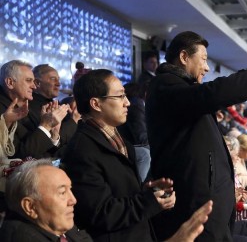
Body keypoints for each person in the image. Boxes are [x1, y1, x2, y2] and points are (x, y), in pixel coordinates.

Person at [145, 31, 247, 241]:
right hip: (193, 205)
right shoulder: (165, 85)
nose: (206, 67)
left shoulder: (181, 88)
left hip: (204, 203)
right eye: (203, 60)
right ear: (184, 57)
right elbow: (210, 94)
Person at [62, 69, 177, 241]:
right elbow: (100, 213)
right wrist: (148, 202)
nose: (128, 103)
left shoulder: (117, 140)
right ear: (96, 104)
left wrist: (150, 193)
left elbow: (121, 194)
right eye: (120, 96)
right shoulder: (82, 150)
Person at [0, 158, 214, 242]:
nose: (73, 200)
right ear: (30, 206)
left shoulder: (63, 228)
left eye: (71, 190)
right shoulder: (21, 237)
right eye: (62, 192)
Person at [0, 60, 66, 159]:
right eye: (28, 80)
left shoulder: (25, 106)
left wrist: (54, 133)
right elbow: (18, 156)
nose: (34, 86)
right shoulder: (3, 109)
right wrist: (46, 126)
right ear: (10, 82)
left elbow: (43, 150)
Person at [22, 64, 79, 158]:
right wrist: (74, 120)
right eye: (53, 79)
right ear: (37, 83)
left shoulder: (59, 105)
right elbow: (44, 141)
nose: (58, 83)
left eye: (58, 79)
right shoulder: (28, 107)